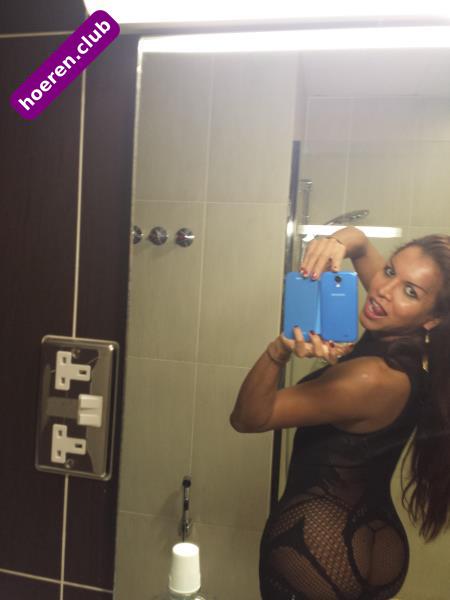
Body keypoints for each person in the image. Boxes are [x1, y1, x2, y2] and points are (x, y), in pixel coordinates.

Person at [230, 226, 450, 600]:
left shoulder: (369, 378)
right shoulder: (419, 349)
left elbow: (250, 417)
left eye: (410, 291)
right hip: (380, 540)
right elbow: (362, 249)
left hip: (318, 542)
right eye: (390, 270)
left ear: (433, 318)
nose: (382, 290)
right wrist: (342, 241)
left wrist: (278, 350)